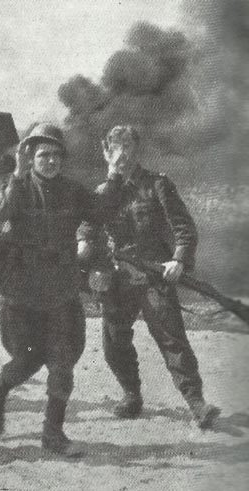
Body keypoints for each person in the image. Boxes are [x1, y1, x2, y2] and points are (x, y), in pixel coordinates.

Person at [0, 123, 118, 457]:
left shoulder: (73, 190)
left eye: (57, 155)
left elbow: (100, 213)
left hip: (61, 289)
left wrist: (113, 176)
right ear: (30, 157)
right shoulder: (17, 186)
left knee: (63, 362)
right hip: (22, 291)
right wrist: (15, 174)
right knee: (26, 362)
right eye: (44, 155)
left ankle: (53, 433)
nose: (51, 161)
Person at [80, 124, 220, 428]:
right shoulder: (103, 193)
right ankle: (132, 394)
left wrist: (178, 260)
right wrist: (91, 268)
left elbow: (184, 230)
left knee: (172, 339)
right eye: (115, 147)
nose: (122, 154)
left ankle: (197, 403)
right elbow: (87, 235)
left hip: (154, 276)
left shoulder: (157, 185)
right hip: (118, 279)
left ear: (136, 149)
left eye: (128, 146)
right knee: (113, 342)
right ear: (105, 152)